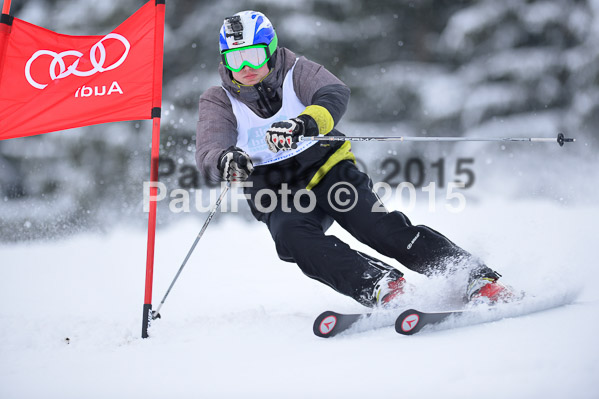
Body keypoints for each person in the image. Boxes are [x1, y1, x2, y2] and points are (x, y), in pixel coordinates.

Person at [196, 10, 514, 308]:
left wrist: (303, 124)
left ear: (271, 49)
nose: (245, 67)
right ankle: (380, 286)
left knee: (377, 228)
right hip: (275, 193)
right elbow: (210, 149)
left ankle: (474, 277)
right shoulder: (218, 99)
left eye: (252, 55)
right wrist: (226, 160)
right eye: (235, 59)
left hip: (329, 172)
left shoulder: (297, 71)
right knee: (295, 241)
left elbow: (334, 94)